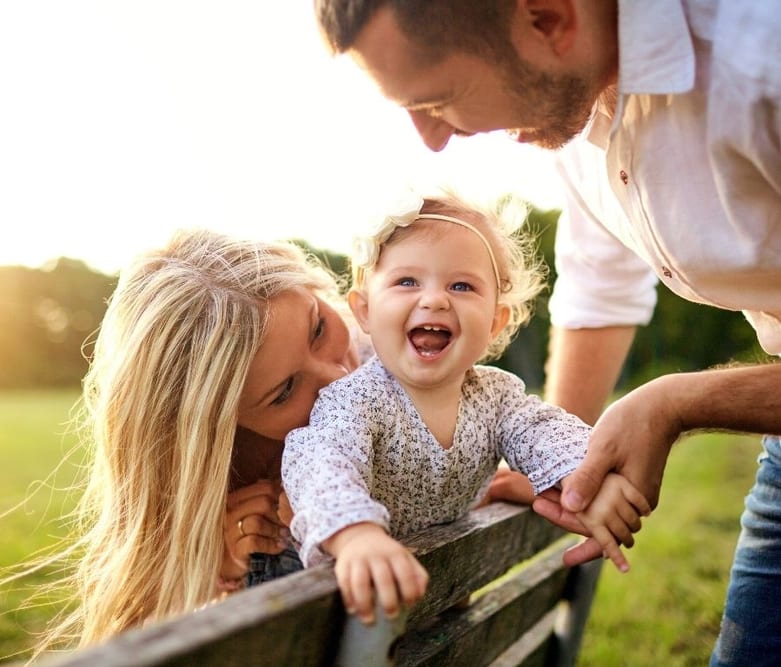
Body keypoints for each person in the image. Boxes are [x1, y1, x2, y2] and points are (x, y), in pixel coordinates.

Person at [312, 2, 781, 664]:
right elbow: (599, 286)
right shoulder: (577, 109)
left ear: (547, 18)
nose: (432, 140)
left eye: (439, 99)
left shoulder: (761, 64)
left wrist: (678, 400)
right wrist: (570, 470)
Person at [17, 226, 536, 655]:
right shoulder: (228, 494)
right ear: (223, 430)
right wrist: (214, 566)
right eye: (284, 390)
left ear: (321, 291)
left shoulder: (397, 365)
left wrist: (469, 481)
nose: (336, 374)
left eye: (317, 328)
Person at [282, 190, 650, 624]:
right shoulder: (357, 401)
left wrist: (586, 478)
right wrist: (355, 534)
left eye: (461, 285)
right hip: (350, 607)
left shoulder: (496, 398)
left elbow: (545, 431)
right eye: (407, 281)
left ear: (495, 321)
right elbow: (320, 462)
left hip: (433, 603)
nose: (435, 299)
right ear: (364, 311)